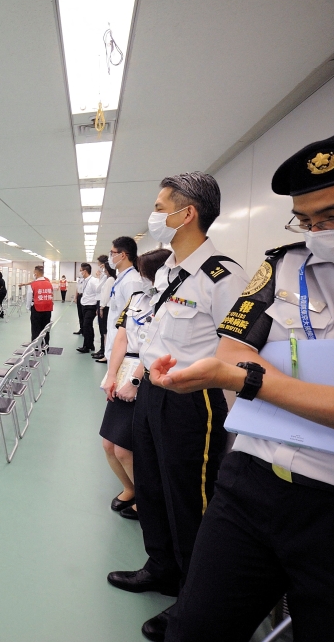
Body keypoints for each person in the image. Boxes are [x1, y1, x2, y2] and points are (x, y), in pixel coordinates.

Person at [150, 123, 334, 641]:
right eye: (305, 219)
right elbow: (232, 350)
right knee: (195, 629)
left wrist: (257, 383)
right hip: (251, 480)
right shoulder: (282, 268)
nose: (318, 231)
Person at [106, 172, 248, 641]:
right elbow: (155, 336)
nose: (154, 215)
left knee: (191, 498)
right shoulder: (167, 271)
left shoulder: (224, 276)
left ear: (187, 214)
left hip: (195, 401)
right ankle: (162, 566)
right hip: (151, 392)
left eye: (160, 206)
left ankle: (191, 595)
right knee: (152, 484)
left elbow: (238, 352)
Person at [99, 248, 170, 523]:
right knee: (108, 444)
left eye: (143, 273)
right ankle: (130, 488)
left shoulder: (167, 302)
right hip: (124, 371)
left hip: (148, 374)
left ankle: (147, 498)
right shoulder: (137, 299)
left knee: (125, 448)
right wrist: (112, 375)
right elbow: (121, 339)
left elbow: (156, 345)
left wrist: (136, 382)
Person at [103, 237, 142, 366]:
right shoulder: (122, 278)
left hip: (124, 350)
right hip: (115, 342)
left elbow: (132, 320)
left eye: (112, 253)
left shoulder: (132, 281)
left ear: (122, 255)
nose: (110, 257)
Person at [93, 255, 116, 362]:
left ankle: (105, 353)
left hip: (105, 307)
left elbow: (105, 294)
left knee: (105, 331)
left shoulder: (110, 279)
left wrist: (101, 307)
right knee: (103, 331)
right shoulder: (108, 278)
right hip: (104, 306)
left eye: (104, 268)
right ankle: (103, 351)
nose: (103, 270)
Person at [26, 264, 54, 346]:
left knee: (36, 329)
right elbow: (51, 295)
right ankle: (46, 345)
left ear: (36, 273)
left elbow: (29, 297)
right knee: (45, 329)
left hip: (37, 309)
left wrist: (28, 307)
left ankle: (35, 346)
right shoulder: (49, 284)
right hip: (48, 309)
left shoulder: (33, 284)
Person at [78, 263, 100, 353]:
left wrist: (97, 308)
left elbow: (98, 293)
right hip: (84, 305)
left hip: (91, 306)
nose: (79, 272)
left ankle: (86, 347)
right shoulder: (84, 280)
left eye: (80, 270)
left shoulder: (93, 281)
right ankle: (91, 345)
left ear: (85, 271)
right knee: (88, 326)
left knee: (86, 325)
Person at [72, 267, 88, 335]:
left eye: (81, 270)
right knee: (80, 314)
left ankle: (85, 330)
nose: (80, 272)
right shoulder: (79, 280)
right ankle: (81, 329)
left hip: (84, 297)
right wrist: (75, 297)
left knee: (84, 314)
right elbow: (77, 289)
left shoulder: (86, 280)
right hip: (79, 296)